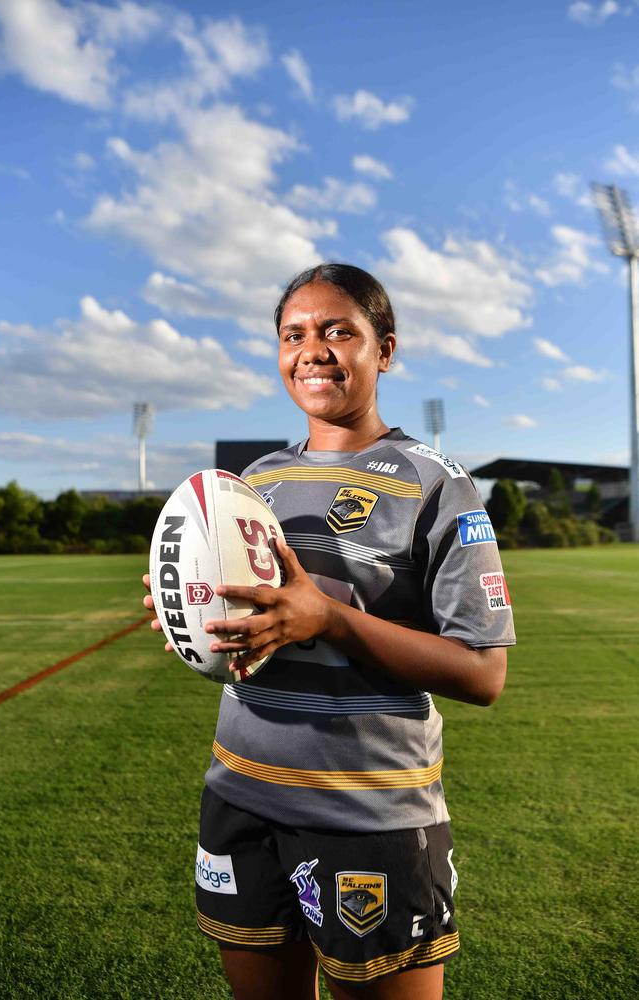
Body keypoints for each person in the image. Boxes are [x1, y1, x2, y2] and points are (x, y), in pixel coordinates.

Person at [143, 263, 515, 1000]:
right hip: (241, 796)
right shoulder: (256, 482)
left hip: (367, 812)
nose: (312, 349)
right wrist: (191, 614)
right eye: (294, 334)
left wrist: (330, 619)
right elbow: (246, 613)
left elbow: (483, 674)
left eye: (338, 330)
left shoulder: (436, 482)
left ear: (385, 348)